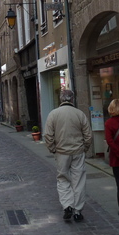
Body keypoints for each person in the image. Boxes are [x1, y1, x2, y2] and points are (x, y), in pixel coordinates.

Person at [43, 89, 92, 223]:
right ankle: (77, 211)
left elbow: (47, 135)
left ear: (61, 99)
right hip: (77, 152)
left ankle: (67, 205)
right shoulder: (80, 114)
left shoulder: (53, 114)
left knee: (63, 179)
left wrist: (53, 149)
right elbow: (88, 135)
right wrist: (84, 148)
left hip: (61, 152)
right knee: (79, 181)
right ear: (72, 99)